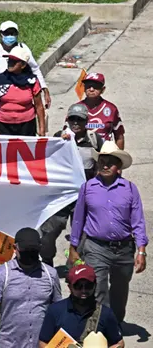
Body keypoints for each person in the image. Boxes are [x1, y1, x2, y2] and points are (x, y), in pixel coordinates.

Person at [68, 142, 147, 324]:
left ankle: (115, 324)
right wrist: (74, 247)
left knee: (120, 289)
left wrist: (141, 251)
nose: (105, 165)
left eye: (110, 162)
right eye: (102, 161)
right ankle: (98, 327)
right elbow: (78, 219)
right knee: (98, 288)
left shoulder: (130, 189)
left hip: (124, 248)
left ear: (118, 167)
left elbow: (138, 221)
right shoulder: (88, 188)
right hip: (96, 247)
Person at [40, 103, 104, 267]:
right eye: (72, 119)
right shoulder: (58, 137)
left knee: (83, 234)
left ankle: (75, 267)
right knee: (47, 233)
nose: (76, 123)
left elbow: (105, 163)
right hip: (61, 196)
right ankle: (47, 263)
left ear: (86, 121)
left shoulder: (95, 140)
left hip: (84, 197)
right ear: (67, 119)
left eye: (80, 120)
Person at [0, 227, 62, 348]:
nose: (29, 255)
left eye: (33, 251)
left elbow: (58, 310)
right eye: (26, 251)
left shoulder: (51, 274)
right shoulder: (2, 274)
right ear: (15, 248)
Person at [39, 265, 124, 348]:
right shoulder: (55, 311)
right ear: (70, 287)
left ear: (95, 286)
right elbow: (43, 342)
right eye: (78, 286)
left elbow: (119, 343)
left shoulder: (105, 314)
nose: (83, 290)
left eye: (88, 286)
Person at [0, 21, 50, 107]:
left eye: (13, 33)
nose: (10, 36)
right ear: (1, 34)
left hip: (21, 97)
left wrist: (44, 88)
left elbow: (35, 69)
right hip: (0, 99)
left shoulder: (23, 48)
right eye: (7, 33)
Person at [0, 46, 45, 137]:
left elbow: (39, 106)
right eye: (9, 60)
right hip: (4, 125)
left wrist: (42, 128)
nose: (10, 63)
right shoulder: (1, 79)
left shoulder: (32, 81)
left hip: (26, 125)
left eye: (14, 61)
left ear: (23, 65)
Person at [78, 73, 125, 149]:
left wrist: (118, 158)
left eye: (96, 87)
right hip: (81, 153)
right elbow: (67, 134)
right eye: (88, 86)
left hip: (104, 155)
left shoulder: (111, 109)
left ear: (103, 90)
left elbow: (119, 136)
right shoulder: (76, 108)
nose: (91, 89)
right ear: (84, 88)